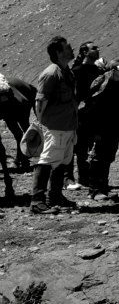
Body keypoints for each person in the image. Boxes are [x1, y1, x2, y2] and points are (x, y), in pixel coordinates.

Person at [31, 36, 79, 214]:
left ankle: (55, 196)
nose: (71, 49)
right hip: (55, 127)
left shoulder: (67, 72)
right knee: (47, 161)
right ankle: (37, 201)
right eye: (67, 47)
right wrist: (41, 126)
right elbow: (40, 102)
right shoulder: (51, 73)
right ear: (58, 53)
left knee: (61, 161)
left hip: (67, 125)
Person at [85, 60, 119, 200]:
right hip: (101, 125)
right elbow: (93, 106)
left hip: (113, 124)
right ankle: (94, 190)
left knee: (108, 157)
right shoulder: (103, 84)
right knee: (98, 157)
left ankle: (104, 187)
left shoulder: (118, 84)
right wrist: (95, 130)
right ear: (113, 69)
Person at [70, 41, 102, 190]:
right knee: (80, 147)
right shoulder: (77, 71)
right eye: (93, 48)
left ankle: (90, 176)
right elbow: (76, 95)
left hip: (96, 113)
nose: (97, 49)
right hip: (82, 114)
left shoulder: (97, 70)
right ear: (84, 52)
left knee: (93, 146)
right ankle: (80, 177)